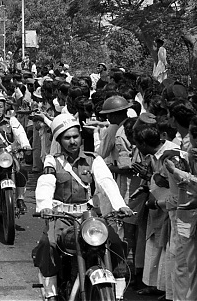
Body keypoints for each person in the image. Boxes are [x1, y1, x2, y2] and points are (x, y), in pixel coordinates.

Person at [33, 114, 133, 301]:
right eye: (67, 137)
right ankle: (51, 292)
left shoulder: (93, 159)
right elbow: (46, 182)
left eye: (75, 136)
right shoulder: (52, 161)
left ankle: (118, 292)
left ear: (81, 136)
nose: (72, 141)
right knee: (49, 244)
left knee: (115, 241)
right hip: (60, 216)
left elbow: (106, 181)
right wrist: (45, 206)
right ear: (59, 140)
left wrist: (120, 205)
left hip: (88, 215)